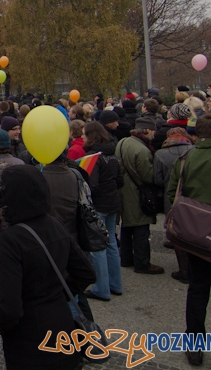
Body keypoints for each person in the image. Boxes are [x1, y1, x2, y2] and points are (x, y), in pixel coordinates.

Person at [0, 164, 96, 370]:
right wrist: (57, 295)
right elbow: (86, 272)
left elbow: (9, 306)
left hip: (29, 340)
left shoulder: (11, 238)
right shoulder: (55, 223)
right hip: (62, 327)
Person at [166, 113, 211, 369]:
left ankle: (194, 346)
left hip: (194, 238)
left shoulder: (186, 159)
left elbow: (171, 193)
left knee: (198, 289)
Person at [80, 121, 124, 301]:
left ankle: (101, 288)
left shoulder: (92, 158)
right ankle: (116, 284)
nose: (81, 137)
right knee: (111, 242)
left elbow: (91, 184)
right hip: (113, 203)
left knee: (98, 246)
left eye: (84, 134)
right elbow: (120, 181)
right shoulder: (112, 155)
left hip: (98, 205)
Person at [115, 117, 164, 274]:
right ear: (148, 130)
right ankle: (142, 262)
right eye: (153, 131)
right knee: (141, 228)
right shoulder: (142, 150)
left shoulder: (122, 142)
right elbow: (148, 176)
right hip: (137, 192)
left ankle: (126, 257)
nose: (154, 135)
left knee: (127, 226)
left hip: (124, 190)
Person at [153, 127, 194, 284]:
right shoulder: (194, 151)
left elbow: (157, 179)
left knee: (176, 232)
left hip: (171, 198)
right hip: (192, 197)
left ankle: (183, 269)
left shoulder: (160, 154)